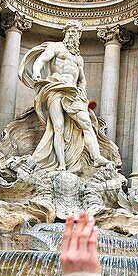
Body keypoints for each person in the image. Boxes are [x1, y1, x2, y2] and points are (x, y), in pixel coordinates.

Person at [21, 21, 112, 173]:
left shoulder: (79, 59)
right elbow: (41, 60)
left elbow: (82, 80)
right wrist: (36, 72)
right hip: (56, 87)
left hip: (73, 92)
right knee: (58, 127)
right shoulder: (56, 47)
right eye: (69, 31)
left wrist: (82, 91)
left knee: (86, 124)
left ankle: (96, 157)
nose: (71, 34)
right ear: (65, 33)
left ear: (79, 36)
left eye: (75, 32)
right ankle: (61, 165)